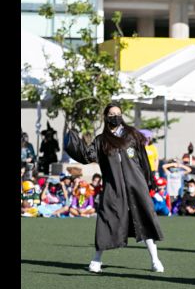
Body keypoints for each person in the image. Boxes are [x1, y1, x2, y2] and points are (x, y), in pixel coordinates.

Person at [65, 103, 165, 273]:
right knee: (107, 217)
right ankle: (96, 260)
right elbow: (87, 155)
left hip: (136, 183)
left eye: (118, 113)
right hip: (113, 185)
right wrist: (73, 137)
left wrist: (149, 181)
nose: (115, 116)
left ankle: (155, 260)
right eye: (111, 114)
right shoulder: (101, 140)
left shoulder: (132, 135)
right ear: (105, 116)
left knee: (144, 218)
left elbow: (143, 160)